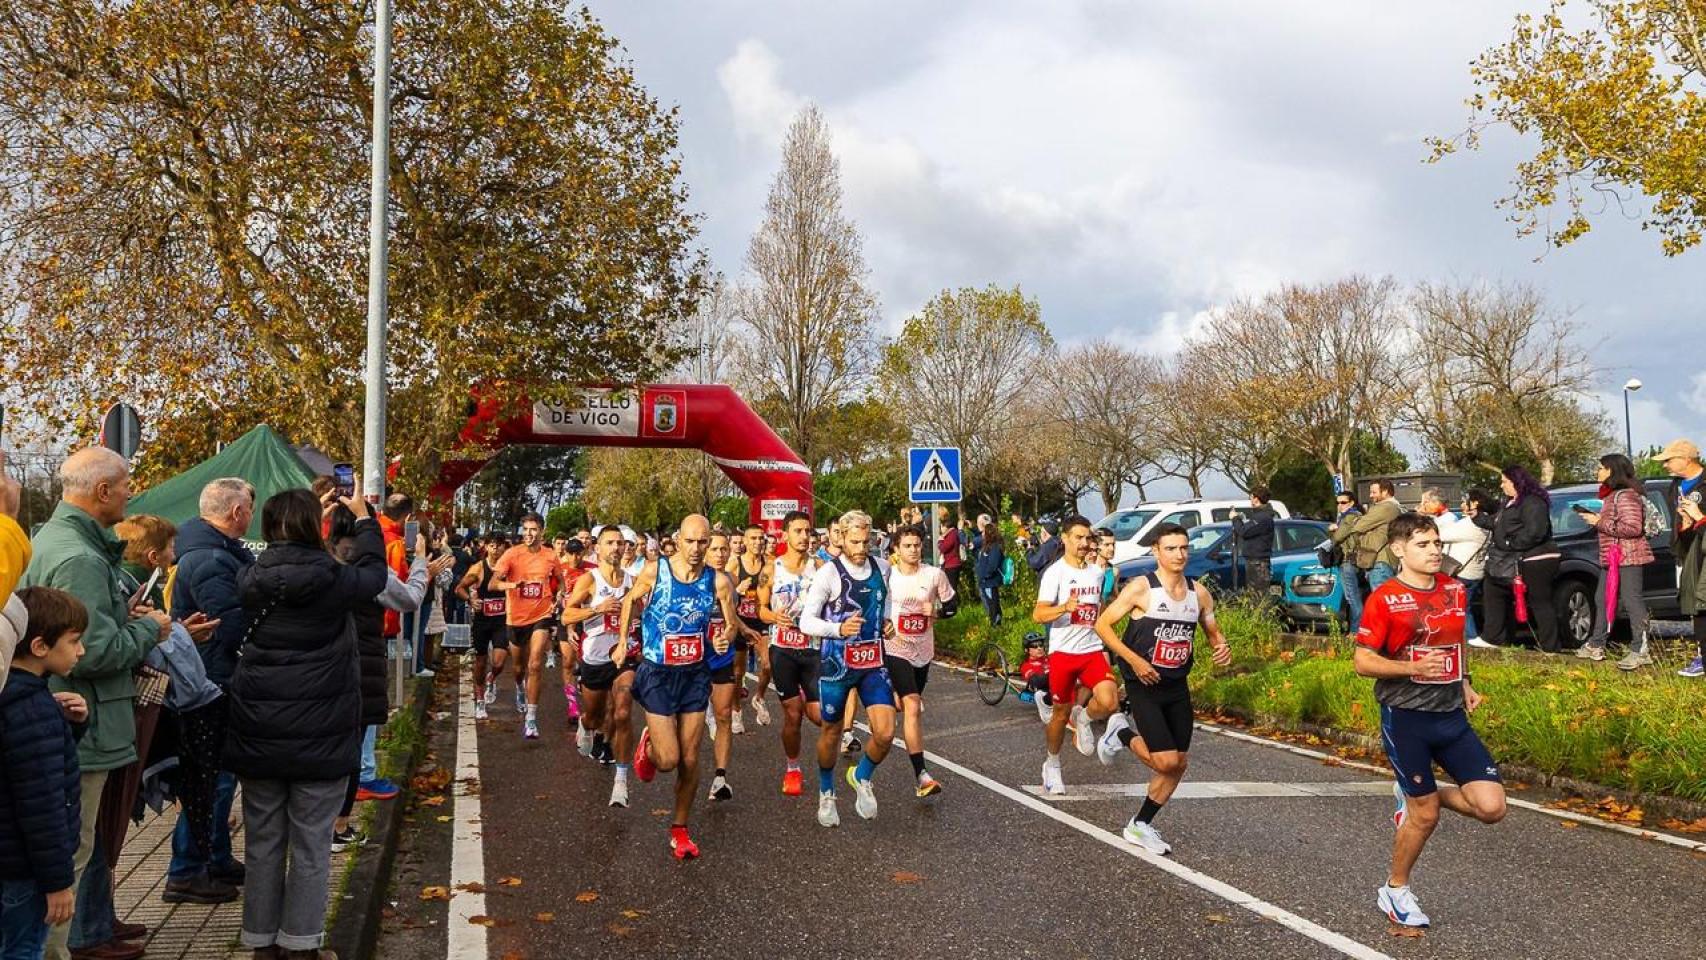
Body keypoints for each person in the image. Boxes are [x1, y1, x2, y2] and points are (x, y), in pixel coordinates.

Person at [23, 448, 201, 960]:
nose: (131, 493)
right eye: (126, 484)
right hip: (87, 718)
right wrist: (149, 627)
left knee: (88, 840)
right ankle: (67, 944)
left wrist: (122, 618)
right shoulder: (78, 557)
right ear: (102, 491)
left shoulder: (61, 542)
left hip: (80, 714)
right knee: (74, 850)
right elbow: (91, 651)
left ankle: (89, 927)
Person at [226, 485, 386, 959]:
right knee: (313, 845)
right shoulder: (334, 579)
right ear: (313, 526)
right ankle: (300, 945)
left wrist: (297, 514)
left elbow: (272, 553)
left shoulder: (249, 578)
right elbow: (374, 574)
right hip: (322, 734)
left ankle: (260, 942)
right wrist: (363, 521)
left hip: (260, 732)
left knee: (263, 843)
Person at [1352, 512, 1506, 930]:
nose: (1435, 551)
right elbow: (1362, 661)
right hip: (1406, 718)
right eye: (1424, 544)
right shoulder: (1384, 598)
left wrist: (1465, 680)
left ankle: (1415, 792)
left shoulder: (1454, 589)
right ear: (1399, 550)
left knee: (1491, 808)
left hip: (1450, 715)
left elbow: (1454, 638)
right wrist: (1411, 667)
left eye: (1437, 543)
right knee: (1426, 816)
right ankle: (1395, 889)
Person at [1093, 523, 1232, 854]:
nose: (1179, 554)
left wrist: (1220, 646)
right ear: (1156, 551)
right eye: (1171, 548)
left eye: (1184, 548)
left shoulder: (1199, 593)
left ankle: (1140, 824)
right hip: (1142, 683)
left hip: (1176, 683)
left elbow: (1212, 630)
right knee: (1165, 762)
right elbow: (1103, 625)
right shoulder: (1142, 589)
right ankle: (1120, 733)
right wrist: (1134, 661)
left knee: (1179, 763)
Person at [616, 515, 735, 858]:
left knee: (690, 757)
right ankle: (649, 748)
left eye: (703, 542)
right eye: (691, 542)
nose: (697, 549)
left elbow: (729, 626)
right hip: (658, 672)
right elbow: (628, 602)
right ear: (678, 540)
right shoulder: (657, 571)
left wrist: (724, 639)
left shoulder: (719, 582)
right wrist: (624, 641)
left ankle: (680, 829)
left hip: (695, 673)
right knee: (668, 760)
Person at [165, 478, 255, 898]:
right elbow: (230, 622)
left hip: (215, 675)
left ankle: (215, 856)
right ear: (236, 513)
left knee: (220, 776)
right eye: (249, 509)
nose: (251, 516)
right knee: (211, 779)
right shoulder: (210, 559)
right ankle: (187, 868)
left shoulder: (213, 552)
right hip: (212, 679)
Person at [0, 587, 88, 960]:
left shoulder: (16, 698)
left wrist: (69, 725)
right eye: (74, 641)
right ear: (39, 646)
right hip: (25, 870)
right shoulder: (33, 711)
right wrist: (58, 883)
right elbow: (43, 805)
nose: (80, 651)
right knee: (23, 950)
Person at [797, 511, 896, 827]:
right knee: (831, 731)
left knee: (885, 732)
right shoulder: (829, 573)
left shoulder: (882, 567)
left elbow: (885, 602)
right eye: (855, 541)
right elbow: (806, 621)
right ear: (840, 537)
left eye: (866, 541)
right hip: (836, 665)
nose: (861, 547)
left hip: (872, 663)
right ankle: (827, 792)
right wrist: (837, 629)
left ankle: (861, 776)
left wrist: (887, 622)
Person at [1031, 516, 1120, 797]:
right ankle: (1052, 764)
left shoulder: (1096, 572)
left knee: (1109, 700)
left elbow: (1100, 606)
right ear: (1065, 540)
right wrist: (1064, 608)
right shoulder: (1054, 573)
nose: (1084, 544)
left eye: (1088, 538)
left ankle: (1084, 717)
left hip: (1091, 649)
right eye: (1078, 538)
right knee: (1060, 713)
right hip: (1063, 652)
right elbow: (1038, 614)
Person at [560, 526, 635, 806]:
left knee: (623, 708)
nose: (616, 548)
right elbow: (567, 614)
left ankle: (621, 781)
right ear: (598, 548)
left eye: (620, 543)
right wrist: (597, 609)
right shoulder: (589, 580)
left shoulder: (633, 580)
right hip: (594, 657)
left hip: (624, 655)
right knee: (595, 714)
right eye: (610, 543)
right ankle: (585, 724)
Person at [885, 524, 955, 798]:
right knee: (913, 706)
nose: (913, 550)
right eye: (907, 546)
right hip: (895, 648)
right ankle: (922, 775)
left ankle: (889, 697)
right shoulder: (888, 576)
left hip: (923, 651)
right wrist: (883, 625)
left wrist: (935, 610)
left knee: (905, 705)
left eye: (917, 545)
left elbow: (952, 607)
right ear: (896, 549)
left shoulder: (934, 575)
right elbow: (874, 605)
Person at [758, 511, 820, 797]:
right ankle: (793, 768)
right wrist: (774, 617)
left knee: (820, 716)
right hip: (783, 649)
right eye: (798, 531)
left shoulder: (820, 568)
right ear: (785, 534)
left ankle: (811, 698)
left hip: (812, 648)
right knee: (793, 715)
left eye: (808, 531)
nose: (804, 537)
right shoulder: (771, 569)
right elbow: (760, 610)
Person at [1576, 454, 1654, 669]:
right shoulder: (1611, 495)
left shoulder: (1626, 496)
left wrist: (1599, 521)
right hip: (1612, 557)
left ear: (1611, 470)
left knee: (1632, 600)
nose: (1597, 472)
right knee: (1602, 598)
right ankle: (1597, 643)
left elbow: (1633, 528)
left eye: (1601, 468)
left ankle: (1640, 649)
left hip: (1629, 555)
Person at [489, 514, 562, 740]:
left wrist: (559, 595)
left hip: (541, 614)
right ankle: (519, 688)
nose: (529, 534)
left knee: (535, 663)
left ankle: (531, 719)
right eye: (526, 529)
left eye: (534, 529)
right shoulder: (512, 554)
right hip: (516, 619)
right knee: (519, 668)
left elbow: (560, 580)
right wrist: (512, 584)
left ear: (542, 531)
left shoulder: (550, 555)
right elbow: (493, 584)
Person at [1476, 465, 1561, 653]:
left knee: (1540, 601)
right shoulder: (1509, 502)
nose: (1501, 485)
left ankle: (1550, 647)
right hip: (1516, 559)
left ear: (1516, 482)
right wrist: (1477, 517)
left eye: (1504, 481)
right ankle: (1493, 636)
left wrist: (1509, 544)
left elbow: (1535, 532)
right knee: (1493, 588)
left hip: (1537, 559)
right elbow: (1497, 524)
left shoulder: (1533, 502)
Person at [1652, 440, 1706, 677]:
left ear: (1687, 459)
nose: (1665, 465)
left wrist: (1699, 517)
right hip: (1689, 550)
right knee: (1694, 604)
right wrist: (1684, 527)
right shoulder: (1675, 486)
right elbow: (1684, 524)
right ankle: (1701, 657)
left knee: (1702, 601)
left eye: (1669, 459)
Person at [702, 532, 740, 802]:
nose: (720, 554)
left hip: (721, 657)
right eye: (714, 549)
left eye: (724, 549)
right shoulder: (691, 579)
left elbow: (732, 622)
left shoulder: (729, 581)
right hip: (691, 657)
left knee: (724, 714)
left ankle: (720, 777)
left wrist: (726, 638)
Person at [455, 537, 510, 720]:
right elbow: (460, 588)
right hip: (482, 621)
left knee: (499, 662)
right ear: (487, 547)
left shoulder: (509, 568)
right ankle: (479, 699)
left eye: (499, 546)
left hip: (502, 620)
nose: (495, 549)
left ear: (504, 548)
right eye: (492, 546)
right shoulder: (478, 568)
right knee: (480, 661)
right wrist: (471, 600)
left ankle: (491, 678)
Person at [726, 524, 773, 732]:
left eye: (761, 538)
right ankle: (736, 711)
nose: (758, 542)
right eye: (753, 538)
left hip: (761, 620)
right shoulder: (735, 564)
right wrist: (738, 589)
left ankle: (759, 697)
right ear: (745, 541)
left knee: (768, 665)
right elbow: (724, 596)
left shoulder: (769, 564)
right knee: (738, 673)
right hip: (739, 620)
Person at [1439, 490, 1493, 649]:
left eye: (1465, 501)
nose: (1462, 505)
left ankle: (1470, 640)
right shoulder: (1488, 521)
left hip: (1461, 571)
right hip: (1476, 571)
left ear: (1475, 503)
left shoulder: (1472, 523)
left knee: (1460, 608)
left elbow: (1442, 535)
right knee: (1464, 606)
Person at [1351, 479, 1402, 593]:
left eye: (1374, 492)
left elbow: (1358, 526)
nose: (1371, 496)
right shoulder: (1396, 507)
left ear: (1385, 492)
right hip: (1385, 561)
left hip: (1380, 561)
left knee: (1382, 602)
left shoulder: (1385, 507)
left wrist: (1359, 522)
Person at [1230, 486, 1277, 594]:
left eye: (1251, 497)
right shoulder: (1259, 516)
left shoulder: (1262, 517)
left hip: (1258, 563)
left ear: (1256, 499)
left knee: (1258, 595)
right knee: (1253, 595)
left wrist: (1235, 518)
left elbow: (1244, 532)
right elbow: (1248, 529)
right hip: (1254, 561)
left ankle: (1261, 611)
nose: (1250, 500)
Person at [1329, 493, 1365, 629]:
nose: (1339, 506)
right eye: (1338, 503)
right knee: (1356, 596)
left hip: (1348, 561)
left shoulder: (1350, 517)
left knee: (1352, 597)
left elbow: (1337, 538)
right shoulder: (1355, 516)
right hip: (1355, 560)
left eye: (1343, 502)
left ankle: (1357, 630)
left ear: (1352, 503)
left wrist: (1332, 530)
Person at [974, 523, 1006, 626]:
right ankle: (994, 621)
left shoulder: (995, 547)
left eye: (984, 532)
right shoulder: (987, 546)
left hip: (989, 581)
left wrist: (986, 575)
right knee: (989, 602)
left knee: (992, 603)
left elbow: (993, 564)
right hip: (985, 581)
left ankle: (995, 624)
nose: (982, 535)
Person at [937, 508, 964, 598]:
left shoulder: (952, 534)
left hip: (952, 564)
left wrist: (940, 541)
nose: (941, 529)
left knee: (952, 587)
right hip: (950, 564)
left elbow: (944, 548)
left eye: (941, 527)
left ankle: (953, 606)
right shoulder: (951, 534)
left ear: (945, 526)